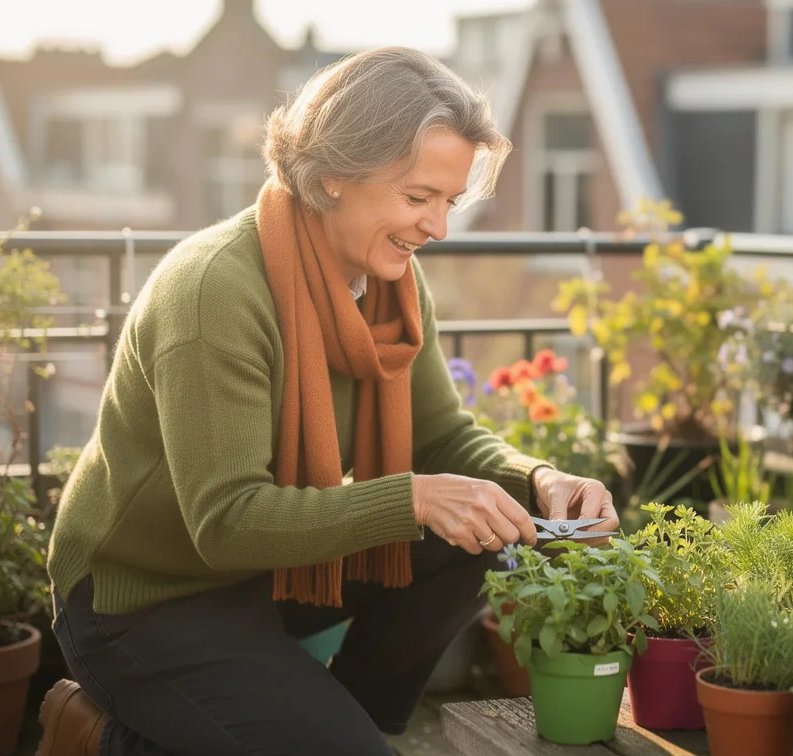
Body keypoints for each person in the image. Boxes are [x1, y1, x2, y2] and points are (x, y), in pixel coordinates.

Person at [35, 46, 618, 756]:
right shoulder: (214, 292)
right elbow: (226, 521)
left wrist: (539, 479)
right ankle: (98, 735)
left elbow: (442, 436)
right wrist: (413, 498)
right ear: (335, 172)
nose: (437, 227)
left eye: (449, 202)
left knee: (485, 528)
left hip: (260, 576)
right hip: (144, 599)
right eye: (417, 198)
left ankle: (344, 719)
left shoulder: (394, 284)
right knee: (433, 515)